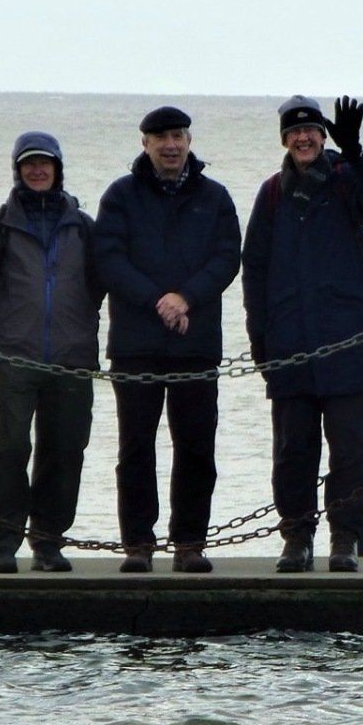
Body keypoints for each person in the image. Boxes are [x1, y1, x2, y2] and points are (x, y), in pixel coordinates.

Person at [242, 94, 363, 573]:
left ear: (323, 136)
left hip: (348, 343)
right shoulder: (271, 194)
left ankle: (345, 539)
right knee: (293, 452)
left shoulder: (349, 181)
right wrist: (261, 342)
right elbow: (255, 270)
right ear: (285, 140)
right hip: (290, 347)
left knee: (352, 452)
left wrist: (357, 151)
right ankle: (296, 538)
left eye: (310, 130)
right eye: (293, 132)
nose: (303, 138)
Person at [91, 106, 241, 574]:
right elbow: (109, 260)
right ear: (145, 145)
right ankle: (138, 543)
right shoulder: (120, 196)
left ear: (189, 140)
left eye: (178, 136)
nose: (171, 145)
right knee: (135, 447)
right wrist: (158, 300)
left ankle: (190, 543)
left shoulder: (214, 197)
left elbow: (227, 258)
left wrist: (186, 298)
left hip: (195, 341)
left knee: (196, 447)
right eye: (161, 139)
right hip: (137, 342)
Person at [0, 131, 101, 573]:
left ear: (58, 168)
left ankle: (48, 543)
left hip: (73, 358)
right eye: (29, 163)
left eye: (45, 163)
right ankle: (3, 545)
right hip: (16, 359)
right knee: (8, 453)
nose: (38, 170)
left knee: (64, 453)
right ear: (18, 169)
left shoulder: (83, 226)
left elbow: (100, 286)